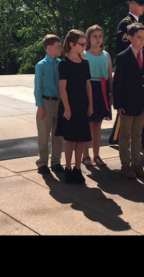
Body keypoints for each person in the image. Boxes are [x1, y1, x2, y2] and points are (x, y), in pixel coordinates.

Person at [109, 0, 144, 147]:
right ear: (133, 5)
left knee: (139, 104)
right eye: (141, 5)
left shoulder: (136, 22)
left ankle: (134, 137)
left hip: (138, 69)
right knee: (128, 107)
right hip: (130, 71)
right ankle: (120, 137)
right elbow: (122, 49)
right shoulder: (125, 23)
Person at [113, 22, 144, 179]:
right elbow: (118, 83)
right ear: (130, 38)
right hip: (128, 103)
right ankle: (125, 165)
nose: (142, 40)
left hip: (142, 103)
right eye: (138, 37)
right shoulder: (123, 57)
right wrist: (118, 104)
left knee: (137, 134)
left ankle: (136, 164)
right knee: (125, 135)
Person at [56, 29, 94, 184]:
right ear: (72, 44)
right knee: (70, 139)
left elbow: (88, 86)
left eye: (86, 44)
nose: (84, 47)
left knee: (81, 139)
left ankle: (78, 168)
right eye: (82, 44)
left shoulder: (85, 63)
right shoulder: (64, 64)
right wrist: (67, 108)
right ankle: (68, 168)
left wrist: (91, 104)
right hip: (69, 106)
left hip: (82, 105)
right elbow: (62, 88)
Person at [82, 25, 113, 168]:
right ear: (88, 38)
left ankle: (96, 155)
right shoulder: (83, 54)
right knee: (87, 125)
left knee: (98, 124)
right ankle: (85, 155)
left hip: (102, 89)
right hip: (89, 89)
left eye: (100, 36)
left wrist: (111, 94)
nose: (98, 39)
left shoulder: (106, 55)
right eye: (95, 36)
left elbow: (110, 77)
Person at [34, 34, 64, 175]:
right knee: (44, 134)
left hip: (59, 103)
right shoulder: (41, 65)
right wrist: (40, 106)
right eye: (59, 46)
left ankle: (56, 161)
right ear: (49, 48)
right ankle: (42, 162)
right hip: (46, 102)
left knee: (58, 134)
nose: (61, 48)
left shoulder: (61, 63)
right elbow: (38, 87)